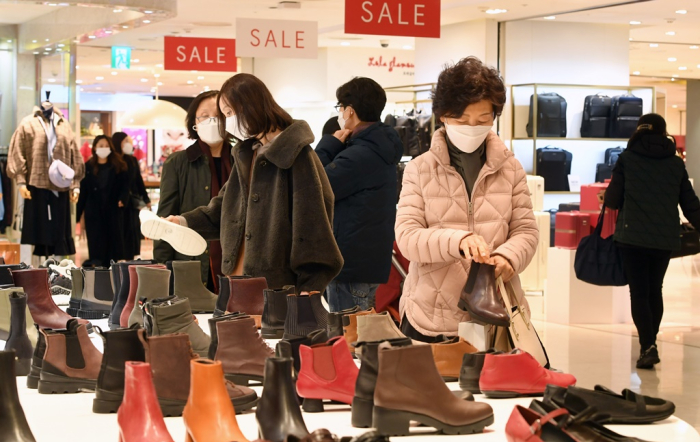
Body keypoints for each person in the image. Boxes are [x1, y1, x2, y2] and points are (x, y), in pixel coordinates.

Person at [395, 57, 539, 342]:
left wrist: (508, 257)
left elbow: (526, 230)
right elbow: (408, 238)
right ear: (443, 116)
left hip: (496, 314)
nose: (472, 127)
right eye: (461, 120)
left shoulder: (510, 168)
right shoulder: (420, 169)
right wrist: (458, 241)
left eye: (483, 120)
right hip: (431, 317)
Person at [164, 73, 343, 292]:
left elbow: (314, 225)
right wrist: (183, 222)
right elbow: (224, 210)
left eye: (230, 112)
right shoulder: (248, 155)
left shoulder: (296, 155)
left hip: (279, 290)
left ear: (250, 104)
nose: (228, 121)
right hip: (237, 283)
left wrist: (310, 286)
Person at [604, 113, 700, 369]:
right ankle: (650, 343)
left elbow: (612, 200)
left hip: (632, 236)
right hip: (664, 239)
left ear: (638, 131)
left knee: (639, 292)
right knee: (654, 290)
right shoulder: (675, 163)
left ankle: (648, 346)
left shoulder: (627, 159)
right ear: (663, 133)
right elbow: (690, 204)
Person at [315, 77, 403, 312]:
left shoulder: (360, 154)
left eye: (341, 108)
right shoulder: (378, 146)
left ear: (350, 111)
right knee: (359, 329)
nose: (340, 114)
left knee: (349, 336)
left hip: (350, 264)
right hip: (366, 260)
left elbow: (317, 184)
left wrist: (327, 145)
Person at [154, 91, 233, 290]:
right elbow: (165, 218)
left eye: (219, 115)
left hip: (236, 262)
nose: (212, 121)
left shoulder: (243, 160)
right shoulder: (178, 162)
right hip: (190, 261)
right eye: (205, 116)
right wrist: (161, 269)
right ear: (194, 122)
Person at [76, 135, 129, 267]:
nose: (104, 148)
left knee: (113, 239)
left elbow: (125, 186)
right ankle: (97, 264)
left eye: (106, 145)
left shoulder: (118, 165)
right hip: (93, 210)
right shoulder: (88, 166)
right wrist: (78, 214)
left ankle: (112, 265)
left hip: (112, 209)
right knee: (95, 239)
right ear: (94, 148)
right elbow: (84, 191)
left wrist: (123, 199)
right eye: (101, 146)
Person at [112, 131, 150, 260]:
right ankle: (118, 258)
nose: (128, 144)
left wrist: (146, 199)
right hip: (117, 203)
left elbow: (138, 181)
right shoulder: (112, 161)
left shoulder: (132, 160)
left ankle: (130, 259)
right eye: (125, 141)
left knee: (131, 231)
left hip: (131, 203)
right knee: (119, 232)